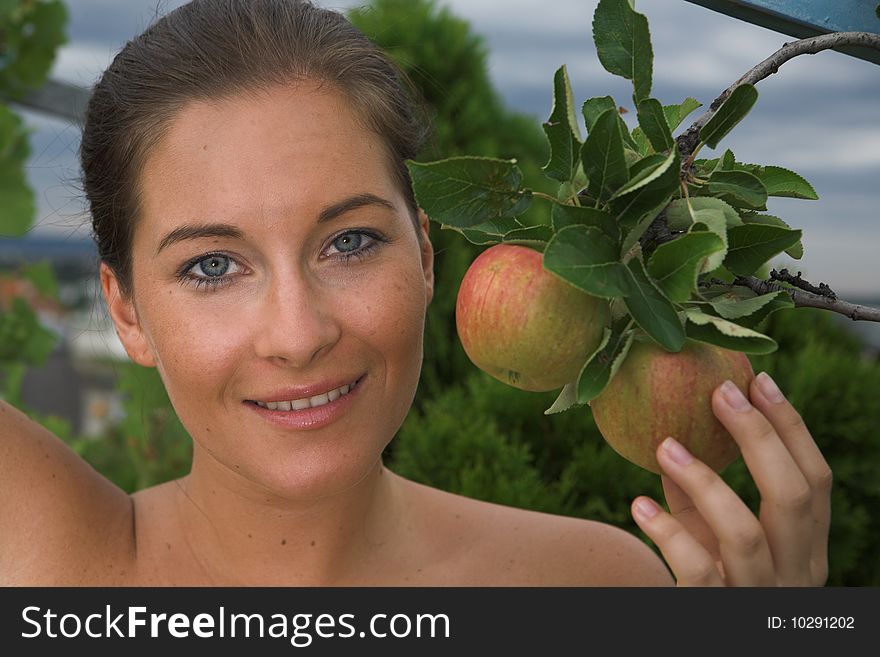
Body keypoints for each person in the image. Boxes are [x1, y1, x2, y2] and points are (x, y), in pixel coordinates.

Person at [0, 0, 831, 587]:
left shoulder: (598, 587)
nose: (297, 333)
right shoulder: (43, 557)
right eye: (212, 265)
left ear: (426, 256)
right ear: (125, 310)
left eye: (350, 241)